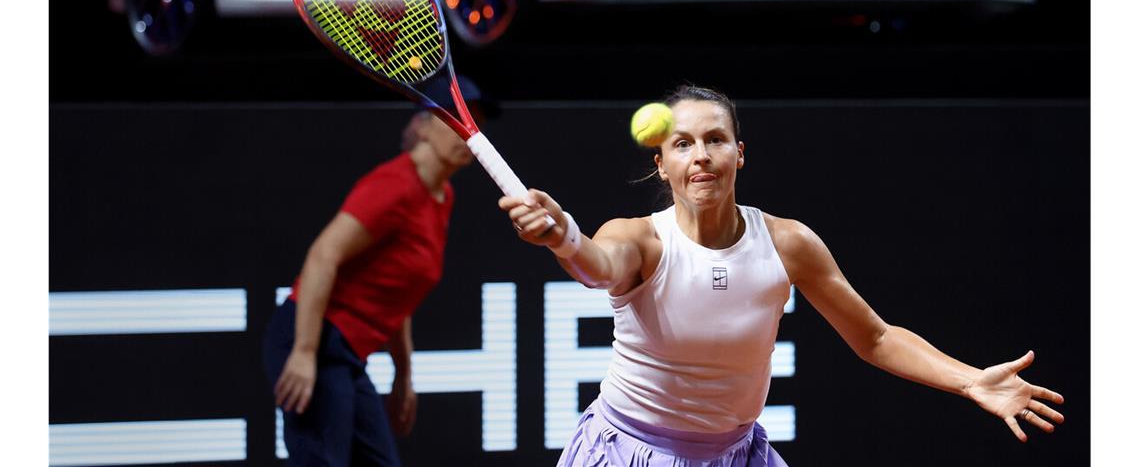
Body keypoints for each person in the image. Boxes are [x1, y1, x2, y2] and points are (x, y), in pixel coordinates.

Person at [500, 84, 1065, 467]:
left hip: (738, 452)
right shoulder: (640, 239)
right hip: (632, 450)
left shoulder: (787, 243)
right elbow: (595, 268)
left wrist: (970, 380)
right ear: (661, 163)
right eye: (682, 144)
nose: (700, 155)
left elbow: (874, 336)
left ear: (739, 153)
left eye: (715, 140)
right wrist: (563, 235)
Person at [263, 77, 489, 467]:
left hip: (348, 356)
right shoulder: (396, 185)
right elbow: (322, 255)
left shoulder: (441, 197)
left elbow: (397, 296)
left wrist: (403, 376)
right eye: (455, 117)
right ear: (422, 124)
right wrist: (304, 352)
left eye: (473, 120)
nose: (467, 130)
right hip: (315, 342)